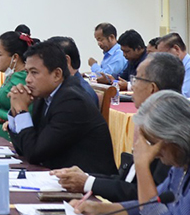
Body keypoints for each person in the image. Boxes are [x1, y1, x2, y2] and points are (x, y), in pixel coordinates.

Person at [54, 52, 182, 200]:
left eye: (136, 79)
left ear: (152, 89)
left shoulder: (169, 130)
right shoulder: (150, 120)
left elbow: (149, 196)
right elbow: (127, 181)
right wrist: (85, 177)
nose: (132, 86)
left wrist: (88, 183)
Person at [6, 40, 116, 175]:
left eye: (34, 72)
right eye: (27, 72)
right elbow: (24, 148)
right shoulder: (44, 96)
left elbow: (34, 153)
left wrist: (22, 111)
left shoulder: (72, 101)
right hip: (58, 175)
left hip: (88, 182)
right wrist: (15, 111)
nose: (27, 79)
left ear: (57, 74)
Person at [156, 32, 190, 98]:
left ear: (176, 49)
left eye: (163, 54)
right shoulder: (176, 67)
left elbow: (185, 96)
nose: (162, 59)